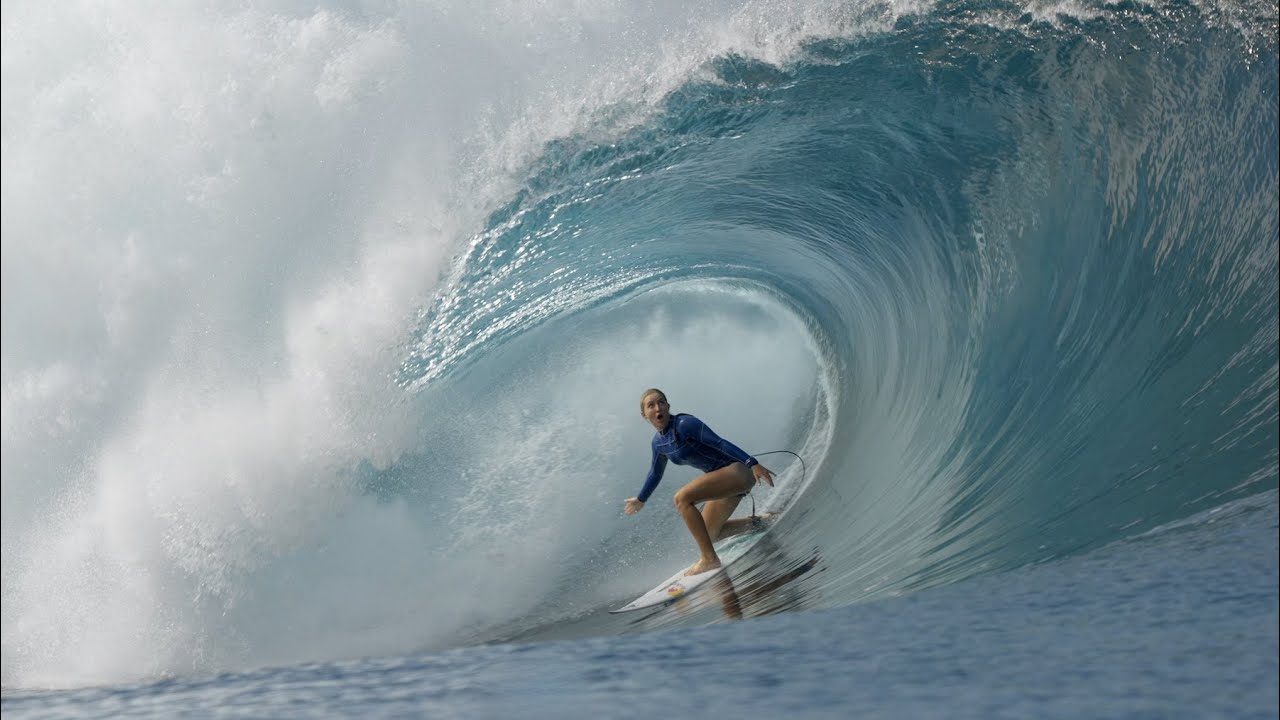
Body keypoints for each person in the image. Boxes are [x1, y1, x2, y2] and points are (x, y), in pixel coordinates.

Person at [624, 388, 775, 575]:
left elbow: (719, 443)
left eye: (661, 402)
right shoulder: (658, 444)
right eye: (651, 405)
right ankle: (760, 523)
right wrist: (641, 499)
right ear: (644, 415)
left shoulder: (685, 424)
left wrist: (752, 463)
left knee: (682, 498)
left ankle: (709, 559)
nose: (658, 408)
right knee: (709, 533)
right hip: (724, 484)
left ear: (668, 406)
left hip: (736, 472)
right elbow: (655, 473)